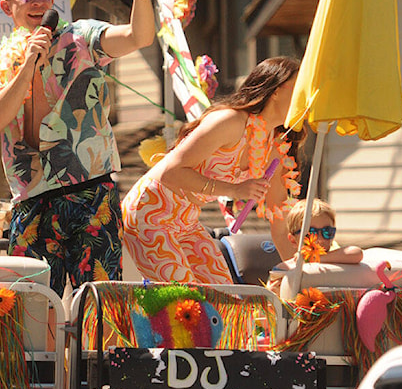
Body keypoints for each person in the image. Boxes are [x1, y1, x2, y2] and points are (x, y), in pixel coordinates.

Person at [0, 0, 155, 296]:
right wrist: (28, 63)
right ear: (6, 6)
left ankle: (99, 353)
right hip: (33, 198)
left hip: (90, 189)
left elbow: (138, 37)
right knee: (34, 304)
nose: (38, 0)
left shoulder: (80, 38)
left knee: (100, 301)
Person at [121, 56, 304, 284]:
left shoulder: (274, 148)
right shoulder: (230, 122)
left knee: (226, 299)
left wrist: (300, 279)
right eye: (300, 89)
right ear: (276, 90)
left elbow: (279, 224)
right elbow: (171, 172)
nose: (304, 99)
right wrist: (235, 190)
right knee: (186, 301)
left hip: (187, 221)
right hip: (150, 210)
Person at [265, 198, 364, 292]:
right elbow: (269, 298)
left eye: (327, 232)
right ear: (293, 240)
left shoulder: (336, 258)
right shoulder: (286, 268)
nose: (320, 240)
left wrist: (317, 258)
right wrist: (272, 291)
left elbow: (356, 253)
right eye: (311, 233)